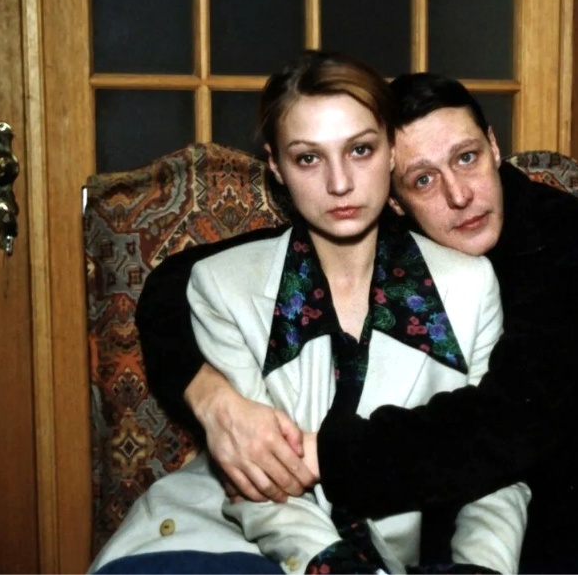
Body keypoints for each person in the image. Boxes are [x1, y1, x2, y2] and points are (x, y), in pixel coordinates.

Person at [138, 73, 578, 574]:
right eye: (423, 179)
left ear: (494, 147)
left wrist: (325, 458)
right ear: (393, 197)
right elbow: (173, 284)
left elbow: (517, 419)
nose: (460, 195)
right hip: (460, 526)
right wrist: (212, 398)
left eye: (466, 158)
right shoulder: (383, 237)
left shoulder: (562, 232)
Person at [88, 52, 530, 575]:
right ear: (276, 166)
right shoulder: (220, 286)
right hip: (226, 540)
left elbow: (494, 470)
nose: (340, 183)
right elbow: (259, 484)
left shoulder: (469, 285)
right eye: (308, 158)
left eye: (360, 150)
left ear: (391, 151)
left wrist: (482, 568)